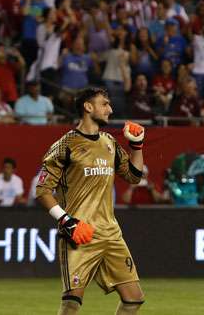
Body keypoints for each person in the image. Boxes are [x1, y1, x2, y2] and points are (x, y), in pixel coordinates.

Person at [35, 87, 145, 314]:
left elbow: (134, 176)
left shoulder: (109, 142)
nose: (110, 109)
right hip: (80, 233)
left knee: (134, 299)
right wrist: (67, 221)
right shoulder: (64, 146)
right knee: (72, 301)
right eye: (104, 103)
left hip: (110, 233)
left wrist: (137, 146)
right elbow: (43, 191)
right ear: (88, 107)